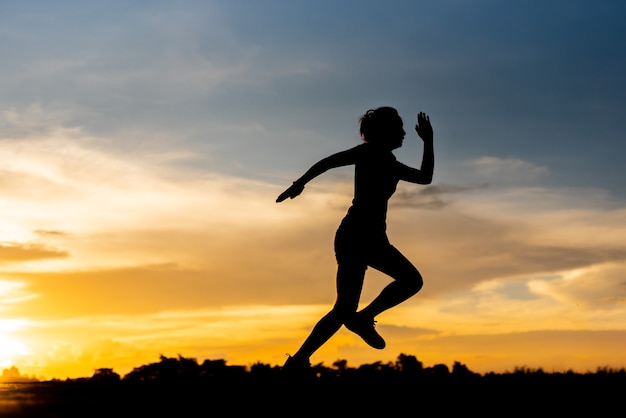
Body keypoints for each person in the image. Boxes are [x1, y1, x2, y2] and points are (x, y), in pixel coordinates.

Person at [276, 106, 434, 374]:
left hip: (366, 237)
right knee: (410, 281)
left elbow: (424, 178)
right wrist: (300, 183)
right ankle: (363, 319)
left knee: (343, 309)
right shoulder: (369, 152)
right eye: (400, 128)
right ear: (386, 132)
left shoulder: (390, 163)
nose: (406, 133)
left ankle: (299, 361)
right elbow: (328, 161)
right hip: (359, 236)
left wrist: (428, 142)